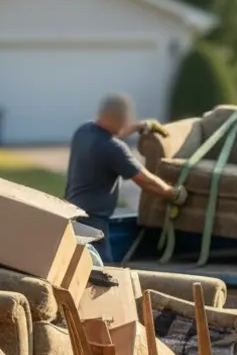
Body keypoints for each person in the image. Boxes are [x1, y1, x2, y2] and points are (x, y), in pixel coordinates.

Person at [64, 94, 188, 262]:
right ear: (118, 119)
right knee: (103, 273)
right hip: (92, 224)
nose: (127, 123)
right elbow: (147, 181)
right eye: (126, 119)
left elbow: (110, 136)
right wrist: (174, 193)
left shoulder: (84, 131)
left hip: (72, 216)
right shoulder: (114, 149)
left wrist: (142, 125)